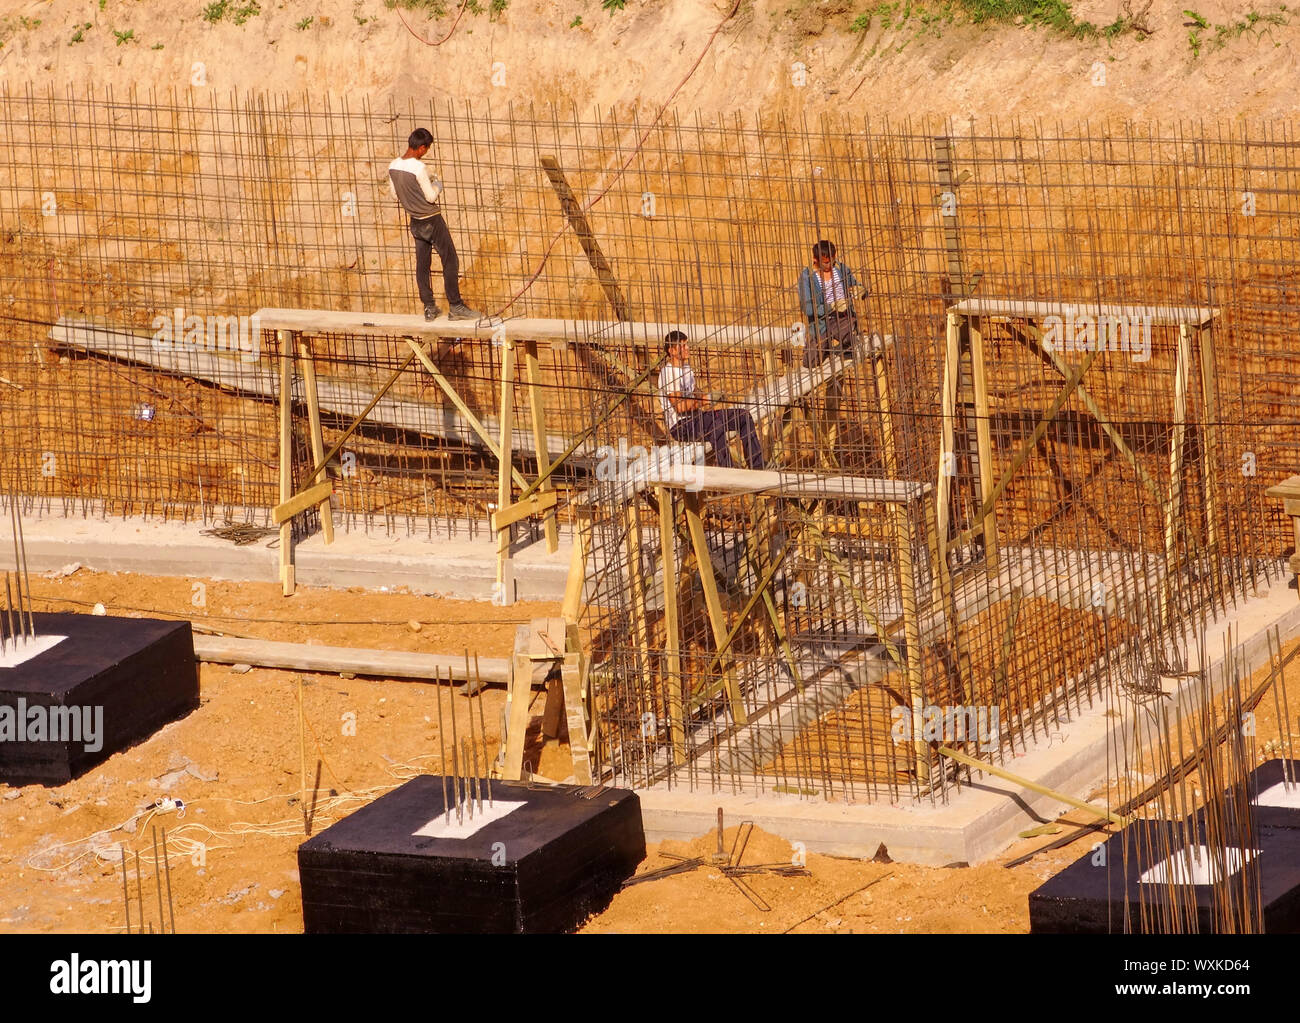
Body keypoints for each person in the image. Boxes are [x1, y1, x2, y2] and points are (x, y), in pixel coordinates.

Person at [388, 128, 481, 321]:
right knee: (450, 260)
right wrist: (437, 184)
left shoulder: (393, 166)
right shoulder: (419, 168)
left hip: (415, 222)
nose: (426, 152)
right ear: (421, 148)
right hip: (432, 220)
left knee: (422, 265)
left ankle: (429, 308)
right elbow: (430, 197)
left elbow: (395, 194)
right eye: (427, 148)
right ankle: (456, 306)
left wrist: (413, 195)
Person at [658, 331, 765, 470]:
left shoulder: (686, 369)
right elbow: (680, 407)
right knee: (716, 425)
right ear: (671, 351)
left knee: (743, 415)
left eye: (686, 344)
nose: (687, 348)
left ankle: (757, 466)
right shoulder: (668, 373)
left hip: (697, 419)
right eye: (682, 346)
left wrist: (713, 397)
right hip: (681, 426)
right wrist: (706, 399)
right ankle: (728, 470)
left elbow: (695, 394)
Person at [796, 239, 869, 367]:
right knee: (811, 362)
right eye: (825, 262)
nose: (829, 264)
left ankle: (847, 340)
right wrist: (831, 307)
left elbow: (856, 285)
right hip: (821, 322)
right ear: (815, 259)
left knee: (848, 337)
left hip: (842, 318)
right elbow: (807, 308)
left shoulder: (841, 269)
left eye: (832, 260)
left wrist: (861, 291)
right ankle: (825, 346)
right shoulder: (806, 277)